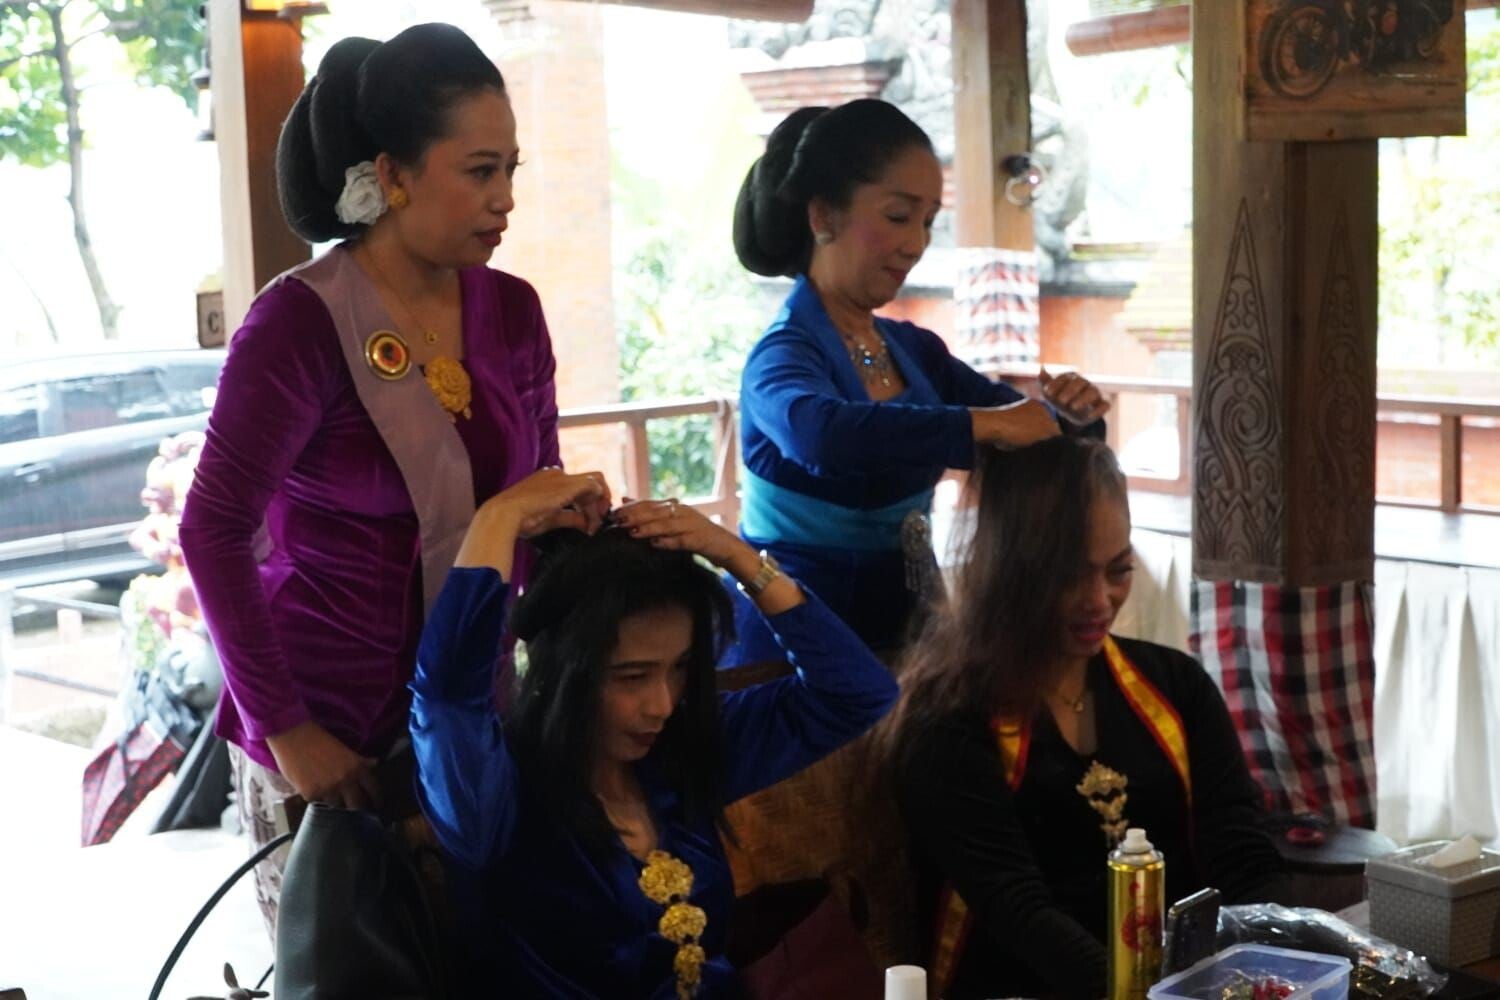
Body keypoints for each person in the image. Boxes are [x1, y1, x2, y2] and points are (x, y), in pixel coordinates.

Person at [178, 23, 606, 932]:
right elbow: (210, 531)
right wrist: (290, 731)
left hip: (469, 715)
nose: (505, 199)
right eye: (480, 171)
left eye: (512, 171)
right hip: (326, 731)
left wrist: (573, 521)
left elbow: (538, 491)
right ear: (393, 174)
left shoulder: (513, 310)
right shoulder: (298, 323)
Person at [409, 470, 899, 996]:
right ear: (563, 672)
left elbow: (857, 694)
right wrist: (497, 519)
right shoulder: (492, 800)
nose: (662, 704)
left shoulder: (684, 751)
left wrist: (737, 556)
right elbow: (445, 700)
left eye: (680, 667)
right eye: (632, 677)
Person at [881, 437, 1287, 999]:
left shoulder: (1178, 687)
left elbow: (1241, 859)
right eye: (1070, 575)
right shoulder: (946, 718)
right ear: (1009, 568)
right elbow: (1018, 910)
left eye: (1118, 571)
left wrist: (1277, 966)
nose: (1099, 600)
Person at [727, 99, 1110, 662]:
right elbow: (821, 436)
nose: (917, 243)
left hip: (913, 630)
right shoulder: (783, 353)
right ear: (824, 216)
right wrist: (982, 426)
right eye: (898, 216)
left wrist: (1074, 420)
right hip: (796, 644)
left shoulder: (915, 350)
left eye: (928, 221)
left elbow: (1024, 428)